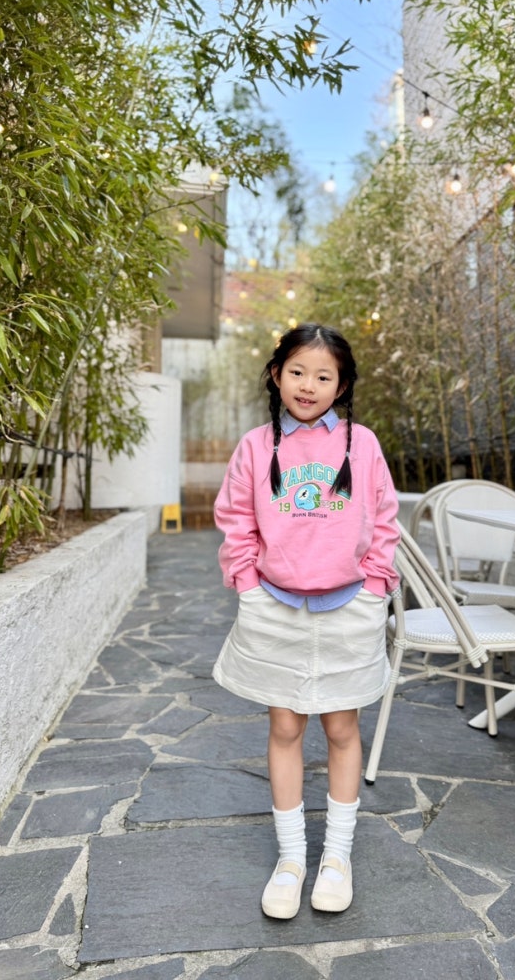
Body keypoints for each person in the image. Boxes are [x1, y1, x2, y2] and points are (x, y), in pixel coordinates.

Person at [213, 322, 400, 920]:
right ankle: (292, 858)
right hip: (275, 605)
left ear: (341, 386)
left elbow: (385, 518)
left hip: (349, 605)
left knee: (342, 729)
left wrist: (376, 587)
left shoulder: (361, 443)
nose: (308, 385)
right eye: (297, 371)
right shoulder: (255, 446)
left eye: (323, 376)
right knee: (285, 727)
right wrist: (246, 585)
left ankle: (336, 857)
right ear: (276, 375)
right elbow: (236, 519)